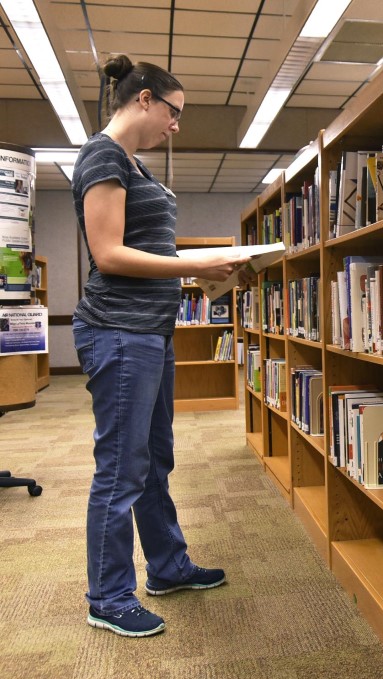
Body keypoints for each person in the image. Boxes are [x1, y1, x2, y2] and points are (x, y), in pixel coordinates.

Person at [72, 54, 251, 638]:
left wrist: (207, 270)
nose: (176, 126)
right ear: (144, 98)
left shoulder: (134, 165)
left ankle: (168, 566)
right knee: (121, 468)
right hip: (118, 330)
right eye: (174, 112)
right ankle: (108, 596)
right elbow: (109, 255)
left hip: (151, 330)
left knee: (153, 459)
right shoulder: (102, 156)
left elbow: (148, 253)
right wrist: (194, 263)